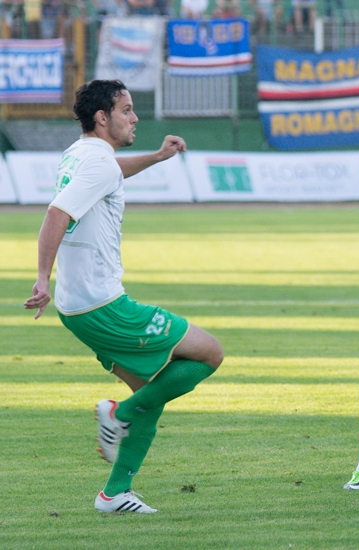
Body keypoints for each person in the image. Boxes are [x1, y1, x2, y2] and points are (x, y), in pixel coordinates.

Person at [24, 80, 224, 513]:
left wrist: (155, 157)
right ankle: (118, 414)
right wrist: (41, 277)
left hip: (78, 306)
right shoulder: (99, 162)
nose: (135, 118)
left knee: (152, 393)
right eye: (127, 110)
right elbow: (57, 213)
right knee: (210, 352)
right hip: (103, 304)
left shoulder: (80, 154)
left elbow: (109, 173)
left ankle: (114, 494)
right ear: (103, 117)